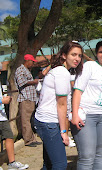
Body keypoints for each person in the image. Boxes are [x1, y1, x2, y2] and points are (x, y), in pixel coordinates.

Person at [34, 41, 83, 170]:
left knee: (49, 163)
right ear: (64, 55)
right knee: (60, 164)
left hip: (45, 120)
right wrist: (64, 132)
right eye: (73, 54)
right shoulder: (62, 73)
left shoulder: (59, 71)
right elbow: (61, 104)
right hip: (49, 122)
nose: (77, 58)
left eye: (79, 55)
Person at [71, 41, 102, 170]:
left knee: (100, 155)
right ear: (96, 54)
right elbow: (77, 91)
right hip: (87, 116)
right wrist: (75, 115)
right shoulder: (89, 66)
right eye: (100, 52)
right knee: (86, 156)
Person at [0, 63, 29, 170]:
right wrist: (2, 100)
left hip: (2, 117)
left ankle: (12, 162)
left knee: (9, 137)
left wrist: (4, 98)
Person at [14, 54, 41, 147]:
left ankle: (32, 138)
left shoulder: (27, 70)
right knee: (25, 120)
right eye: (32, 62)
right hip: (25, 98)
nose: (33, 64)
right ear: (28, 61)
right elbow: (22, 82)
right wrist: (34, 81)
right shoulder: (20, 70)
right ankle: (28, 140)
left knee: (30, 119)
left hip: (31, 98)